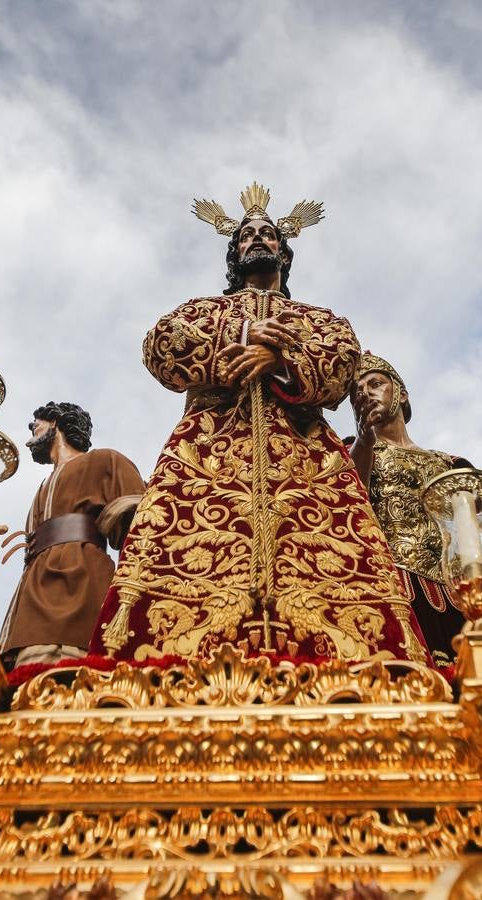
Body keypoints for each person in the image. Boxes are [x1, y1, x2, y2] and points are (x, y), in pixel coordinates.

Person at [91, 183, 432, 666]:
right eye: (247, 234)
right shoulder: (205, 309)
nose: (258, 239)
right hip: (207, 460)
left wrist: (279, 357)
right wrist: (242, 332)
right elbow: (162, 344)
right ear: (233, 253)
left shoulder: (318, 318)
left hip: (307, 466)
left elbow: (340, 363)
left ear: (284, 252)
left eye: (268, 235)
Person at [0, 402, 145, 668]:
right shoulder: (43, 486)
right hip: (33, 583)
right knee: (21, 668)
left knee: (63, 665)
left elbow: (145, 523)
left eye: (37, 423)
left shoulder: (104, 460)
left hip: (77, 577)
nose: (32, 430)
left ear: (56, 422)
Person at [350, 353, 470, 667]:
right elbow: (350, 499)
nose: (367, 394)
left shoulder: (449, 464)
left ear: (401, 394)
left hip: (452, 588)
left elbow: (471, 532)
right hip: (392, 581)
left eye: (376, 384)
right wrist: (363, 442)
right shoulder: (357, 449)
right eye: (357, 393)